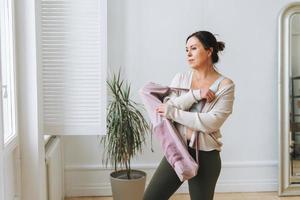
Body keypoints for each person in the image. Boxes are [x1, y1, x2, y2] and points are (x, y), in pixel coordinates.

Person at [143, 30, 235, 200]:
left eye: (193, 48)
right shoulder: (181, 79)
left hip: (207, 156)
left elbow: (211, 123)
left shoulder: (225, 85)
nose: (188, 54)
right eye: (186, 50)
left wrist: (173, 112)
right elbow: (166, 108)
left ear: (209, 51)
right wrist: (195, 94)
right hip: (178, 150)